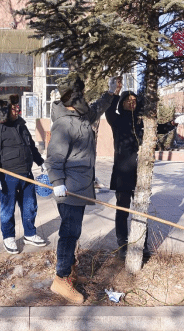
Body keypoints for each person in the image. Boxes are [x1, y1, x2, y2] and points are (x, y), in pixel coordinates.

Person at [46, 74, 120, 304]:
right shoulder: (64, 124)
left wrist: (111, 93)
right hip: (69, 188)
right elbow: (54, 158)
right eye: (81, 95)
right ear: (73, 98)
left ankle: (70, 270)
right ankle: (61, 278)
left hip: (80, 186)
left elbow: (97, 108)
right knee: (69, 233)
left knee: (73, 231)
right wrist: (57, 183)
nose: (85, 99)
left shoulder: (80, 116)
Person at [0, 94, 47, 254]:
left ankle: (29, 234)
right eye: (14, 108)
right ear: (4, 109)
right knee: (8, 209)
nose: (17, 110)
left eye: (17, 107)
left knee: (30, 206)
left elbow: (31, 146)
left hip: (26, 174)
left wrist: (40, 162)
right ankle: (8, 237)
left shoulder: (21, 125)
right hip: (7, 177)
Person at [105, 79, 146, 259]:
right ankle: (122, 244)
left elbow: (157, 129)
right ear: (122, 103)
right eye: (128, 100)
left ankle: (142, 244)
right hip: (122, 173)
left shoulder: (141, 121)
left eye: (134, 100)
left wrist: (172, 124)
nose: (132, 103)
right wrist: (114, 93)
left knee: (141, 211)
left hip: (140, 173)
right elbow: (108, 111)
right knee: (122, 210)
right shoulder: (117, 119)